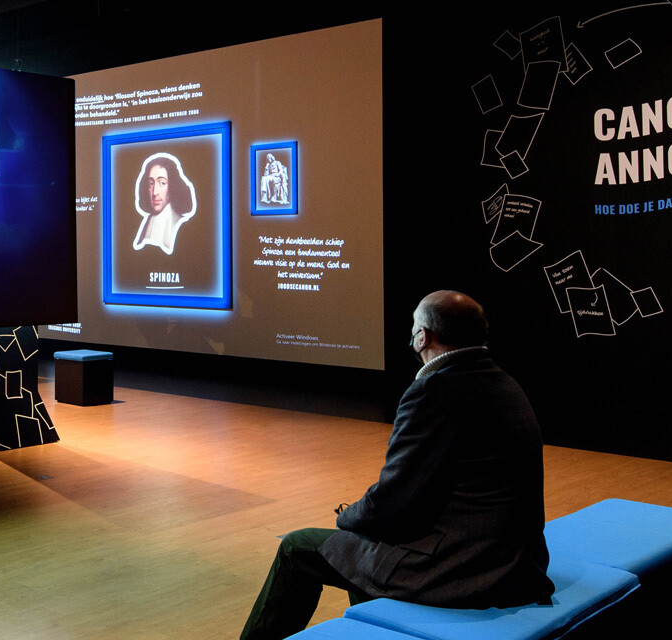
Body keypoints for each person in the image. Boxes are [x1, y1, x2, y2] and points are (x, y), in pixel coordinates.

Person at [240, 291, 553, 638]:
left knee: (298, 547)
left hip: (465, 568)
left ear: (423, 337)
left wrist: (348, 516)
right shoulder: (506, 384)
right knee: (364, 548)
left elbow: (394, 498)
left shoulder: (433, 391)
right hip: (520, 565)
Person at [131, 153, 195, 254]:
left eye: (162, 183)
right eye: (151, 183)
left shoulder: (184, 227)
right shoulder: (145, 222)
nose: (155, 192)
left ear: (173, 186)